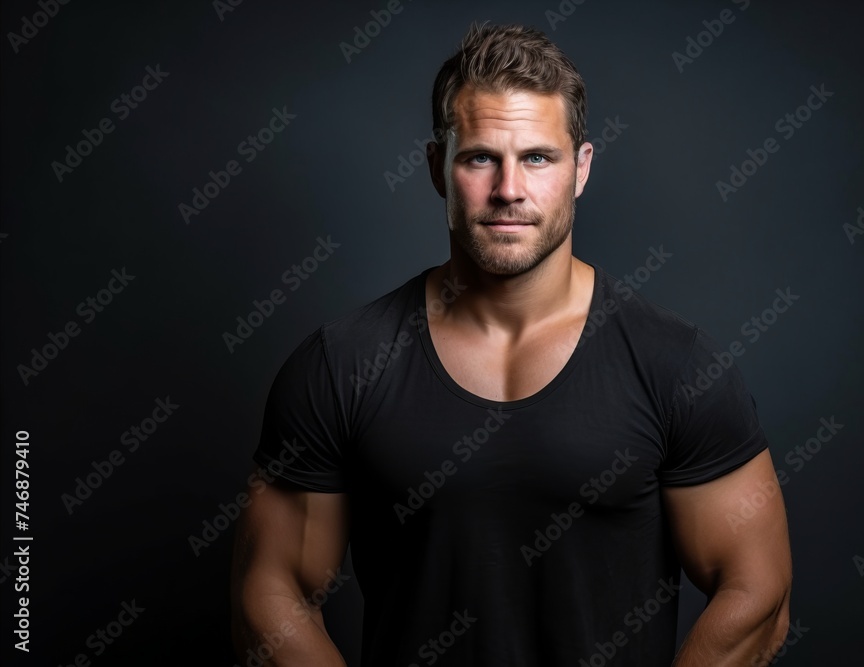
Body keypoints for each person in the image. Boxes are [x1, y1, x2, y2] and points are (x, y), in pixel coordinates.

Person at [231, 21, 791, 667]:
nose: (508, 190)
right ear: (437, 167)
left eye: (537, 157)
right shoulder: (343, 364)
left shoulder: (675, 365)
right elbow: (269, 590)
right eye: (478, 157)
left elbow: (758, 593)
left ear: (580, 168)